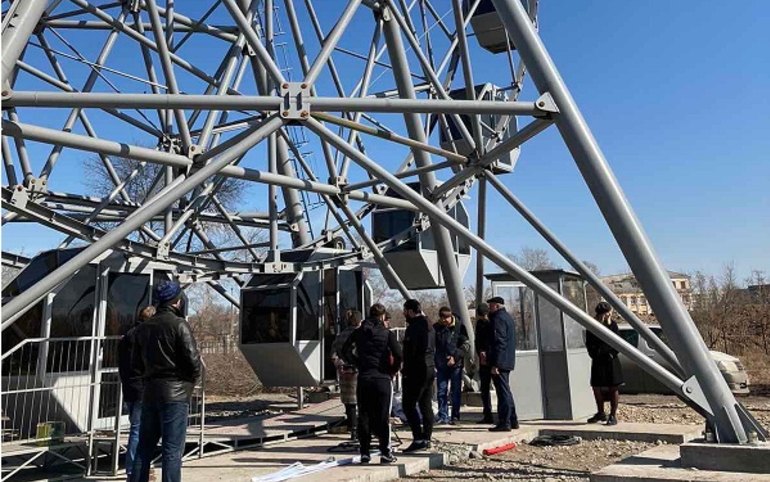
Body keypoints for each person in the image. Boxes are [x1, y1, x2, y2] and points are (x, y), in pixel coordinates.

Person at [131, 280, 201, 482]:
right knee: (172, 450)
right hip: (175, 394)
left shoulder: (143, 329)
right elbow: (192, 361)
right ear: (178, 302)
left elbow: (136, 364)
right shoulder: (179, 325)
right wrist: (188, 383)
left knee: (144, 448)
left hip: (150, 392)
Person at [340, 304, 402, 464]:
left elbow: (344, 350)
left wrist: (356, 363)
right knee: (383, 417)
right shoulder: (387, 334)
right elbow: (399, 354)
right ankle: (385, 453)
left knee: (364, 416)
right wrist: (392, 370)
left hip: (364, 377)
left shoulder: (359, 332)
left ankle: (365, 453)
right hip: (382, 378)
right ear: (382, 317)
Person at [118, 305, 155, 481]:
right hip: (142, 388)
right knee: (139, 430)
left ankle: (134, 469)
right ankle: (135, 470)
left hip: (129, 388)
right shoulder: (145, 337)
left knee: (135, 428)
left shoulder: (126, 337)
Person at [400, 299, 436, 453]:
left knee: (408, 405)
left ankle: (418, 438)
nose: (404, 314)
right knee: (425, 404)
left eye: (405, 311)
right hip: (429, 368)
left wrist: (405, 371)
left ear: (410, 311)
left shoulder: (414, 328)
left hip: (417, 370)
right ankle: (427, 437)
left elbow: (411, 352)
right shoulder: (430, 325)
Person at [586, 301, 624, 426]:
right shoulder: (592, 325)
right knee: (596, 386)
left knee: (613, 387)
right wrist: (596, 354)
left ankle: (613, 415)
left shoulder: (612, 325)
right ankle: (600, 412)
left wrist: (611, 354)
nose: (609, 315)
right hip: (598, 360)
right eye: (607, 313)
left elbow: (618, 342)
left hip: (611, 361)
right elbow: (590, 344)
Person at [487, 296, 518, 432]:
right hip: (507, 360)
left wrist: (496, 364)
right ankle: (512, 420)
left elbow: (499, 342)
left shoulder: (498, 319)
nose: (489, 308)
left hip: (501, 362)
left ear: (497, 306)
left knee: (502, 392)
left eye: (491, 305)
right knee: (506, 391)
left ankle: (504, 422)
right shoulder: (508, 318)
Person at [434, 306, 469, 425]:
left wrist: (455, 357)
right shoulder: (437, 328)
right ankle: (443, 416)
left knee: (455, 391)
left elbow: (465, 345)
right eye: (442, 319)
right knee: (441, 391)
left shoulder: (460, 327)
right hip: (441, 364)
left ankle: (455, 416)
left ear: (450, 317)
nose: (444, 321)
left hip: (456, 364)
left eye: (446, 319)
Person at [331, 310, 362, 443]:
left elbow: (332, 355)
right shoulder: (361, 335)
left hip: (344, 372)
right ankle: (362, 430)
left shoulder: (340, 335)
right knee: (362, 401)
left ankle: (352, 429)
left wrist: (340, 365)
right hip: (360, 371)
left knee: (349, 403)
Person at [474, 303, 494, 424]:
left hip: (490, 359)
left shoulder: (491, 323)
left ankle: (490, 414)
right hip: (484, 360)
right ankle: (487, 414)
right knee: (485, 388)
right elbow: (478, 341)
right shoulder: (481, 324)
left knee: (492, 387)